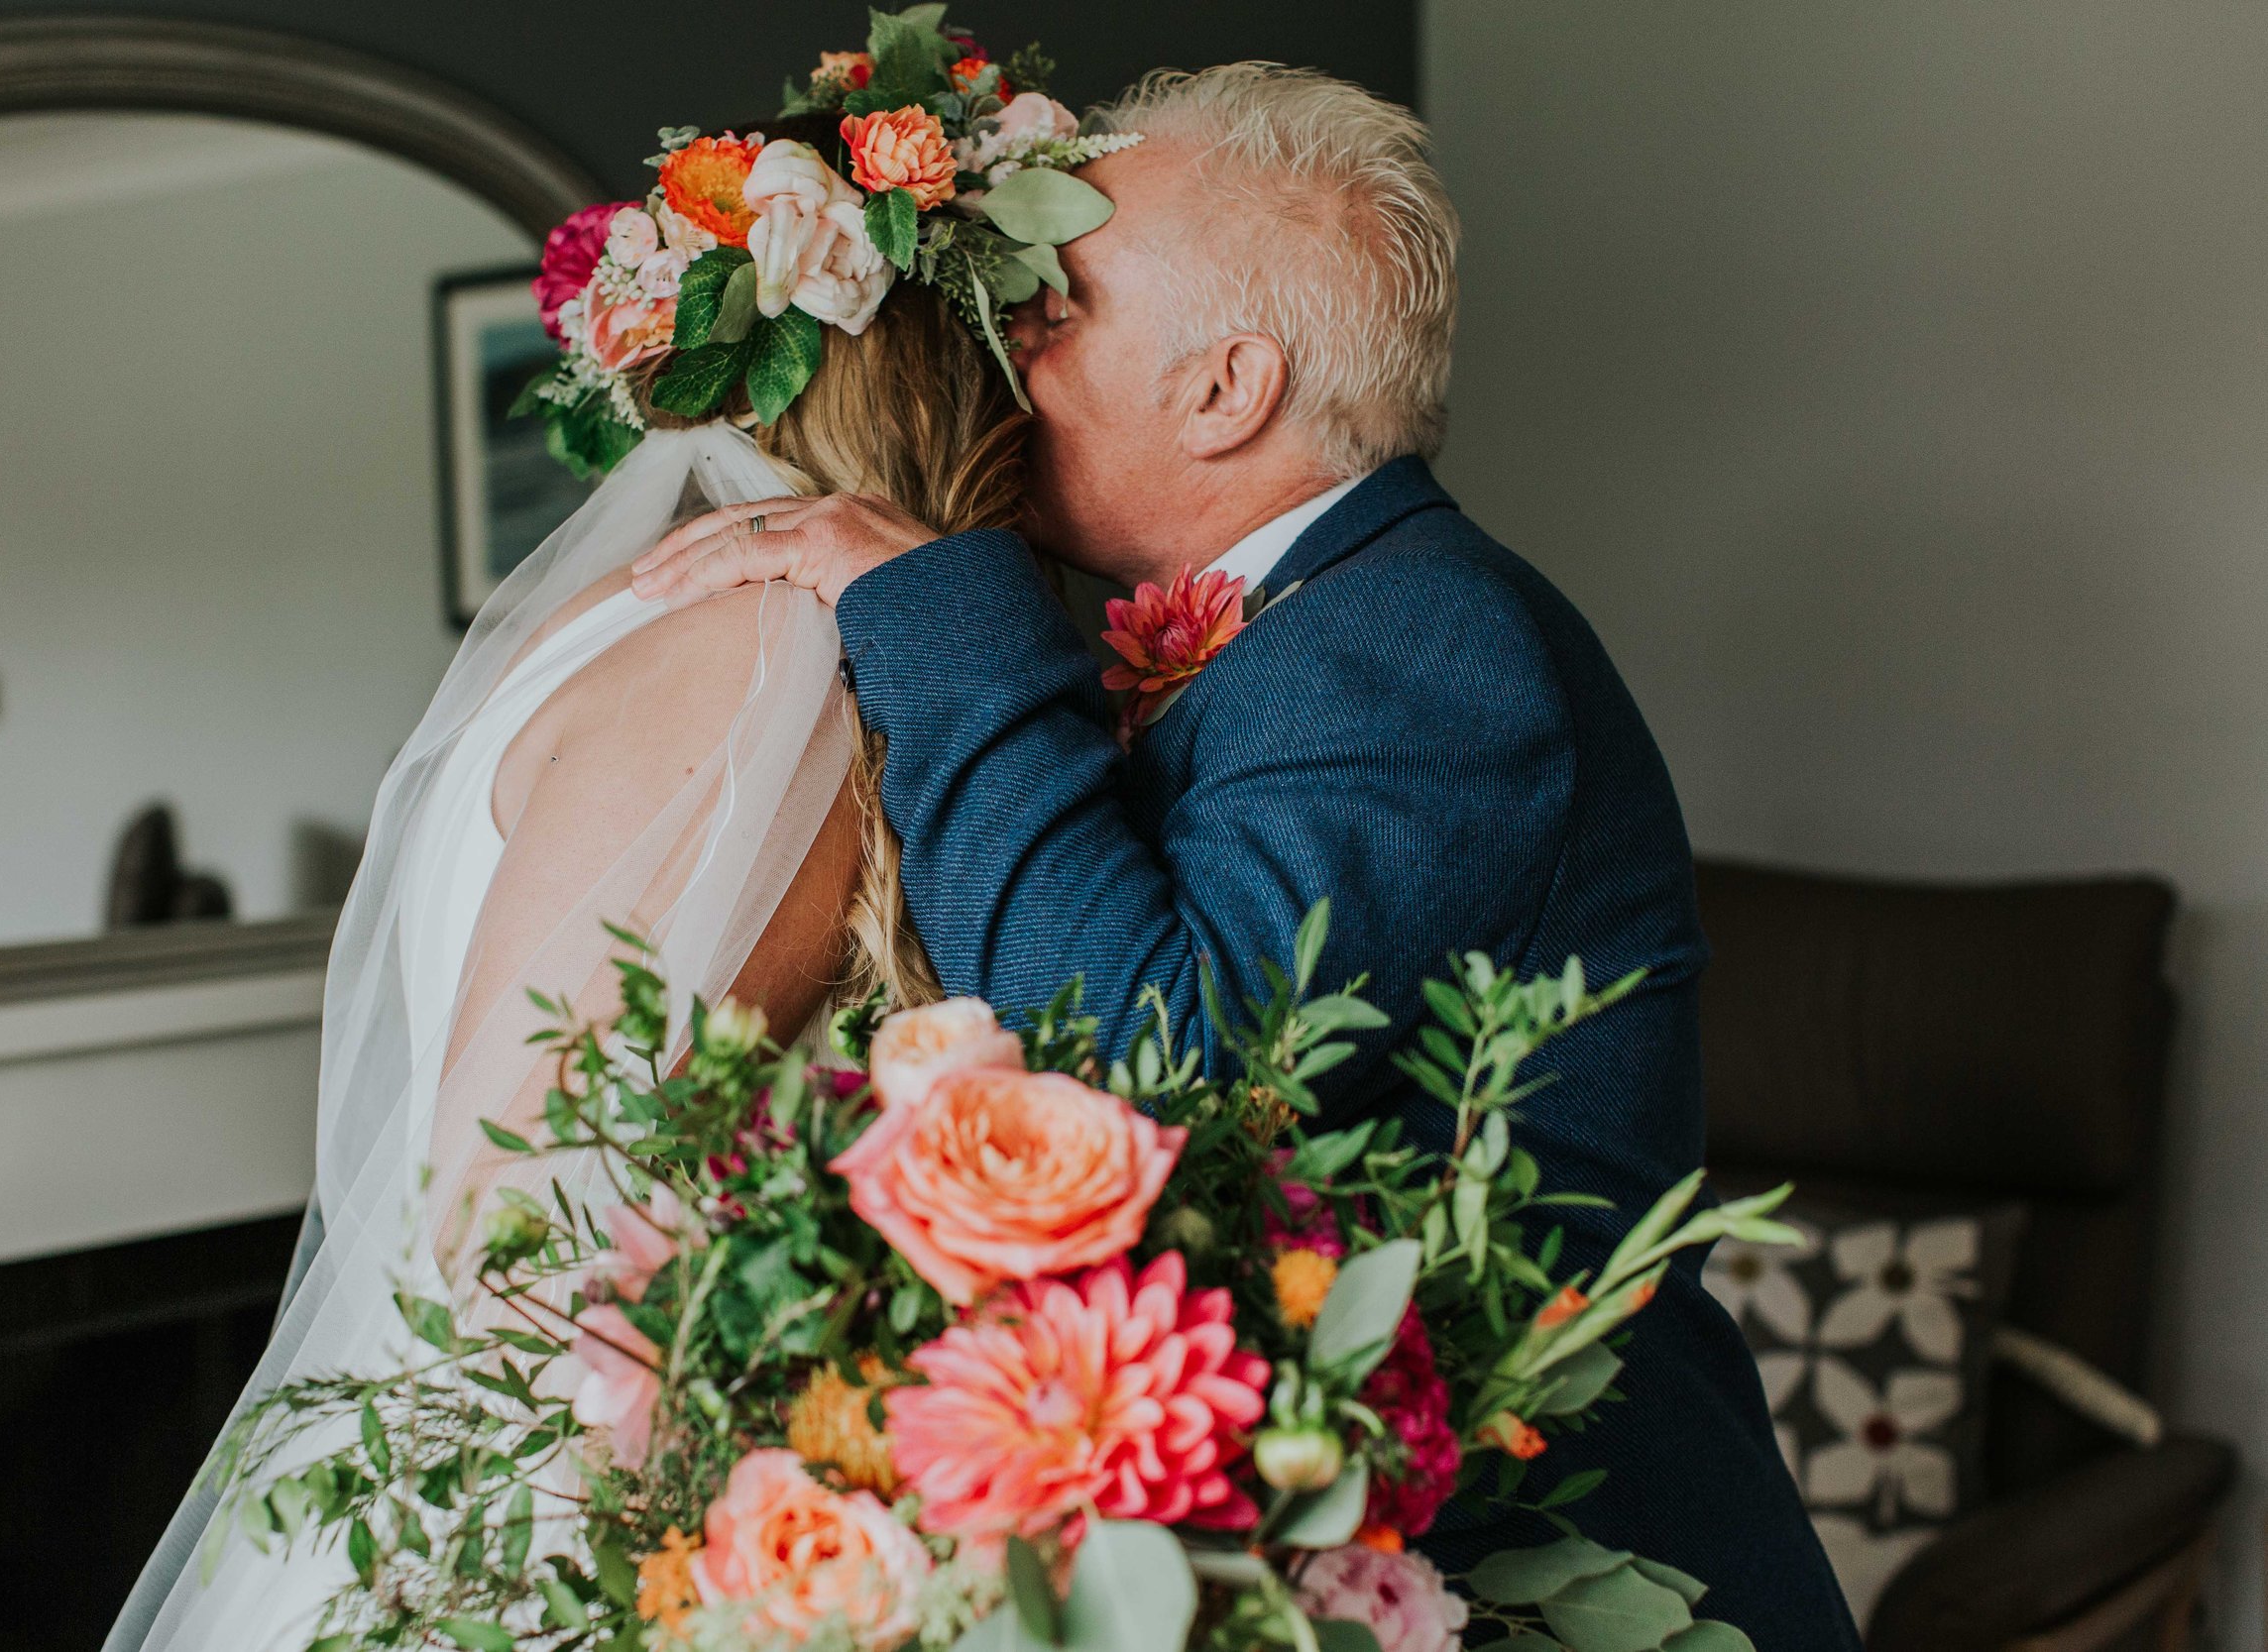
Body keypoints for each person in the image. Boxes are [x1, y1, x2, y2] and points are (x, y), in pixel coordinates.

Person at [630, 63, 1864, 1648]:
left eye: (1057, 305)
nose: (1005, 344)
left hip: (1548, 1573)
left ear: (1227, 388)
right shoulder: (1309, 624)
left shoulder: (1424, 646)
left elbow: (1150, 1062)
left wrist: (930, 605)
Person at [105, 110, 1038, 1649]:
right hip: (577, 1501)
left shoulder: (631, 619)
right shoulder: (764, 655)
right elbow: (526, 1198)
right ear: (943, 387)